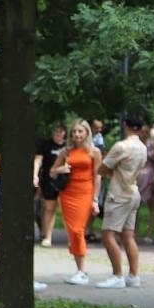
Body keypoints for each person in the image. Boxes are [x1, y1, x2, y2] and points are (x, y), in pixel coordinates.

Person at [93, 115, 148, 289]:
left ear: (125, 125)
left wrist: (113, 173)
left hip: (118, 194)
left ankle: (117, 275)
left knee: (108, 234)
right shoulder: (142, 147)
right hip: (133, 191)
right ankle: (134, 275)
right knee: (128, 235)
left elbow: (102, 168)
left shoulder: (121, 146)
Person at [52, 119, 101, 285]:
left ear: (87, 133)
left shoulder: (94, 152)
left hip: (85, 191)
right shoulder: (66, 151)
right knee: (72, 231)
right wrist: (61, 169)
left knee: (78, 229)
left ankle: (81, 271)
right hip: (67, 193)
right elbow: (52, 172)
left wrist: (95, 199)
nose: (77, 134)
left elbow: (97, 176)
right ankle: (80, 270)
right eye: (74, 132)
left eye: (80, 131)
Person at [33, 124, 68, 246]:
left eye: (61, 131)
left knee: (66, 209)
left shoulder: (68, 146)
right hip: (49, 180)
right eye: (56, 131)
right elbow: (38, 161)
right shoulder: (45, 145)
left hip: (65, 180)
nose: (58, 133)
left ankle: (72, 236)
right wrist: (35, 175)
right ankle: (47, 236)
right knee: (49, 208)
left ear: (65, 133)